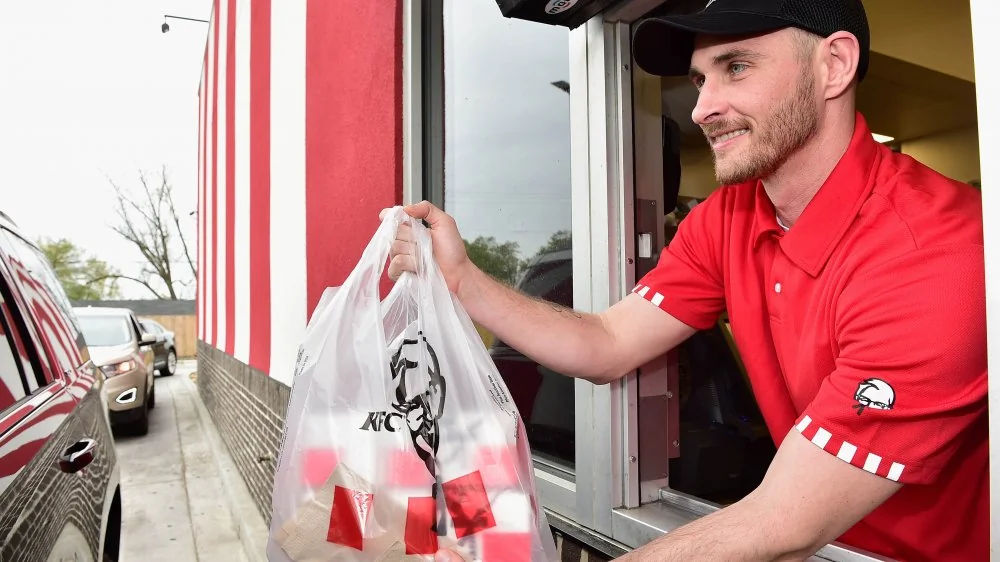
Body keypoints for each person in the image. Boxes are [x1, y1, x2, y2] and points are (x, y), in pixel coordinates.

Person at [383, 0, 988, 559]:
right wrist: (462, 280)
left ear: (833, 65)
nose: (701, 108)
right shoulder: (728, 216)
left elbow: (780, 522)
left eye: (737, 66)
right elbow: (609, 341)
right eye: (701, 79)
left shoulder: (940, 253)